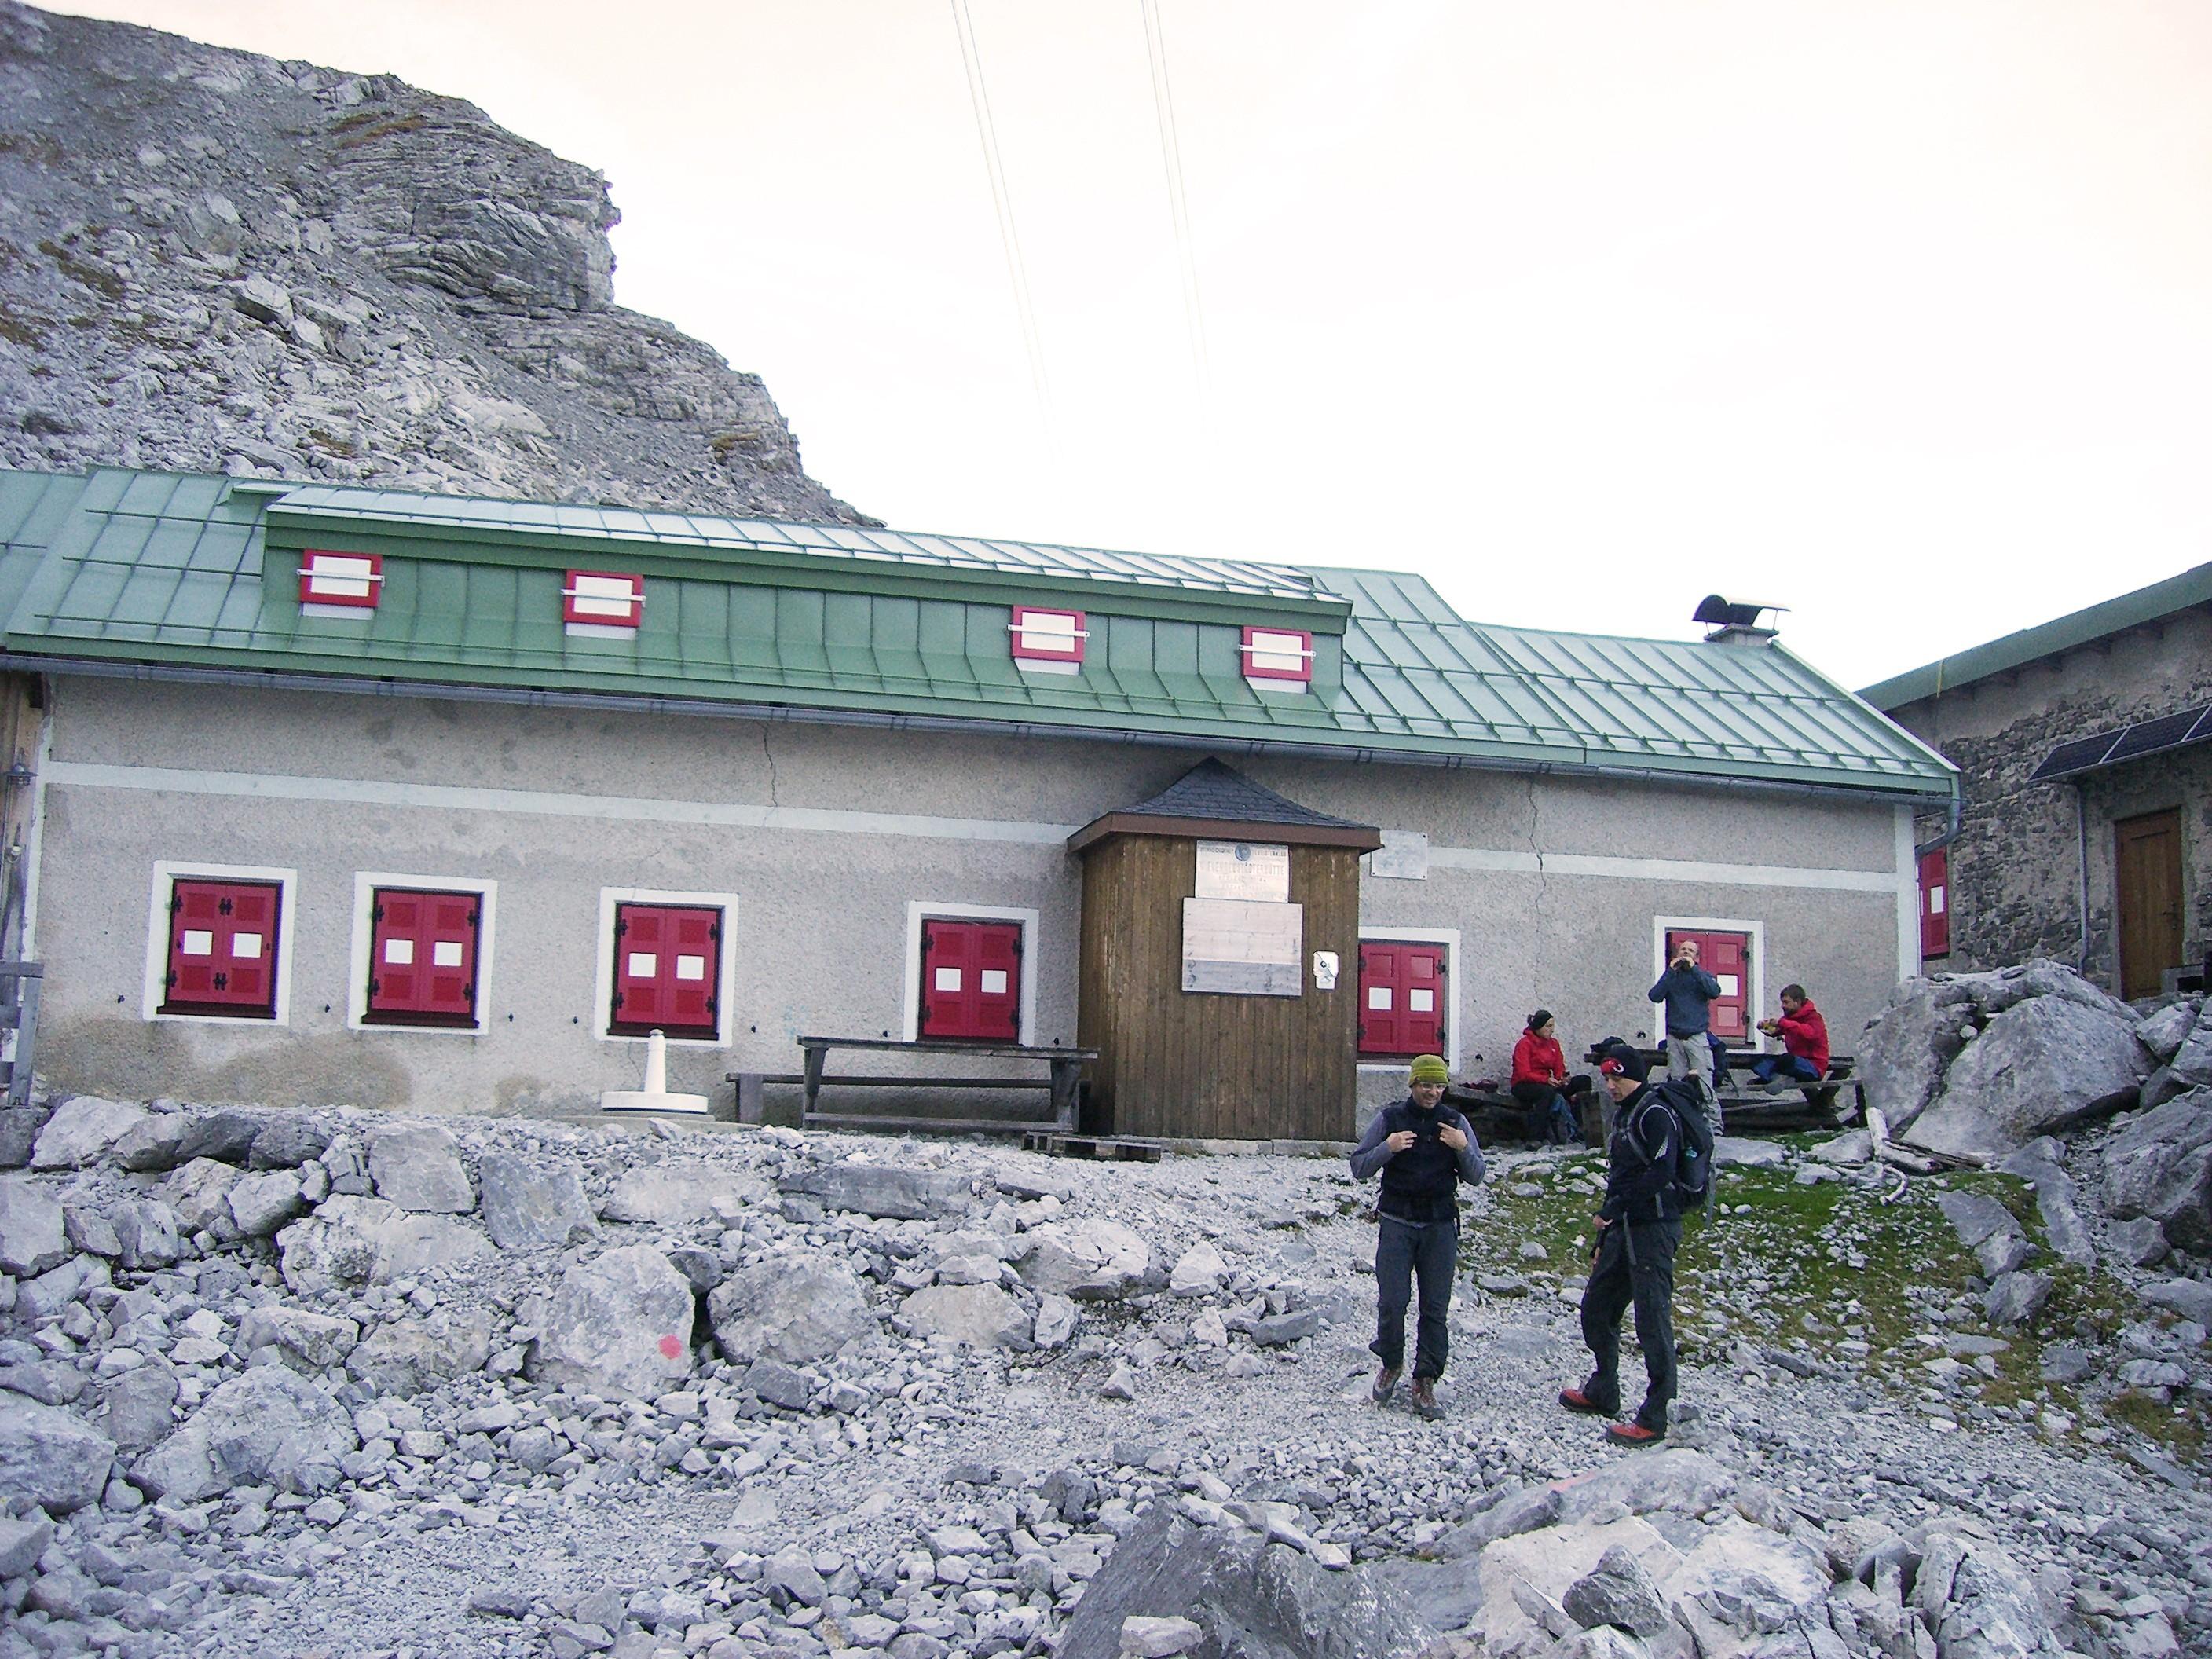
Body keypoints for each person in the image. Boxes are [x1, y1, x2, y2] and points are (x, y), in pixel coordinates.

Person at [1558, 1042, 1684, 1447]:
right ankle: (1603, 1389)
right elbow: (1622, 1178)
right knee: (1597, 1308)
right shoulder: (1626, 1115)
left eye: (1617, 1077)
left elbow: (1663, 1171)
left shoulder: (1656, 1113)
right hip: (1622, 1229)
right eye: (1607, 1078)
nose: (1610, 1085)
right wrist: (1604, 1234)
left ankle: (1655, 1413)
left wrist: (1614, 1210)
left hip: (1653, 1230)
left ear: (1636, 1075)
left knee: (1651, 1320)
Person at [1348, 1053, 1485, 1420]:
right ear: (1412, 1084)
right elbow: (1359, 1166)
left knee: (1435, 1308)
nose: (1433, 1092)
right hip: (1396, 1222)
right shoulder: (1391, 1119)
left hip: (1440, 1226)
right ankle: (1391, 1363)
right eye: (1426, 1084)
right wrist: (1387, 1148)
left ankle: (1425, 1380)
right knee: (1392, 1301)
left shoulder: (1456, 1123)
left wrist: (1462, 1147)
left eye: (1439, 1085)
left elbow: (1477, 1175)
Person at [1511, 1010, 1584, 1144]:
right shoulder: (1524, 1044)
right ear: (1538, 1027)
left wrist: (1561, 1078)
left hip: (1547, 1083)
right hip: (1524, 1084)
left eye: (1552, 1026)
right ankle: (1536, 1137)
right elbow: (1523, 1073)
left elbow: (1558, 1066)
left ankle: (1582, 1127)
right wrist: (1546, 1080)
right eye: (1548, 1026)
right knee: (1547, 1092)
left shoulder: (1553, 1044)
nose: (1552, 1030)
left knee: (1582, 1082)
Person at [1752, 983, 1829, 1093]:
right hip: (1794, 1064)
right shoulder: (1789, 1018)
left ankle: (1773, 1078)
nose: (1783, 1006)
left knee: (1787, 1060)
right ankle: (1775, 1079)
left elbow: (1810, 1033)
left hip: (1813, 1067)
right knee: (1757, 1061)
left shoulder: (1814, 1017)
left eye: (1786, 1002)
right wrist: (1765, 1026)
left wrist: (1783, 1023)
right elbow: (1776, 1031)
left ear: (1797, 1002)